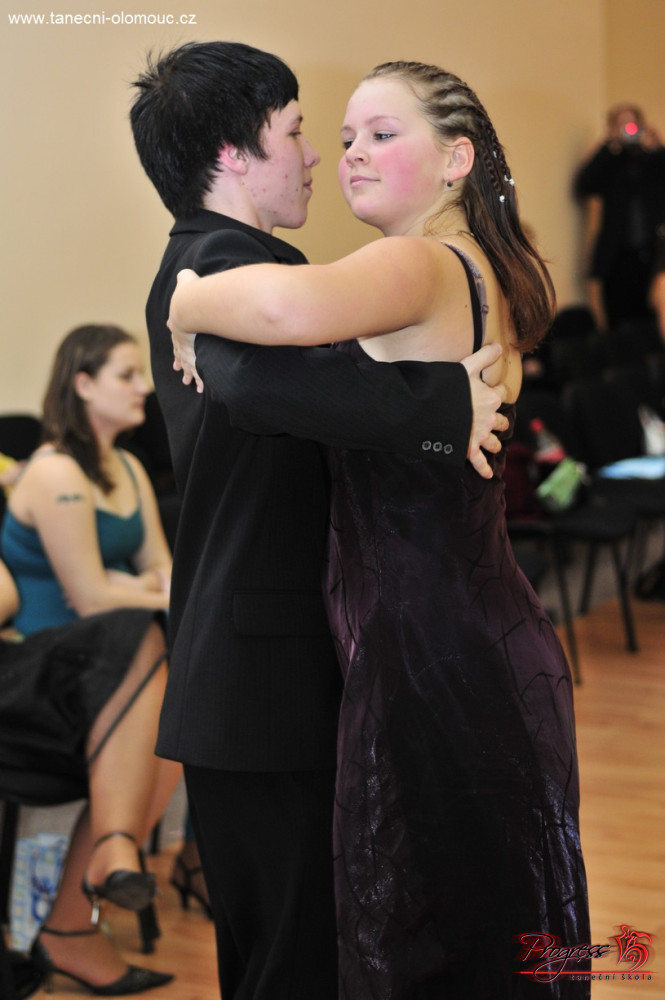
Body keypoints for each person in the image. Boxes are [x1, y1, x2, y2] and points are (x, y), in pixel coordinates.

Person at [168, 61, 591, 998]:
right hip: (467, 630)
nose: (352, 153)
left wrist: (184, 304)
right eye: (346, 136)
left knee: (432, 935)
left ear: (455, 160)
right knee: (484, 920)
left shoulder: (418, 262)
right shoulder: (474, 263)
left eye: (382, 134)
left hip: (426, 645)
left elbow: (279, 308)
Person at [0, 325, 181, 993]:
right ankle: (93, 885)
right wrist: (142, 588)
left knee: (180, 711)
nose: (143, 389)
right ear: (82, 384)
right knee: (143, 632)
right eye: (126, 375)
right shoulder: (54, 471)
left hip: (111, 664)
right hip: (41, 668)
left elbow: (167, 570)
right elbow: (92, 597)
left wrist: (141, 586)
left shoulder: (127, 468)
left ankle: (85, 899)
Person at [574, 102, 665, 330]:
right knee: (618, 319)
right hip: (617, 255)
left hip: (653, 253)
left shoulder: (653, 159)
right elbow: (584, 185)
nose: (628, 129)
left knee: (653, 318)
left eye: (632, 124)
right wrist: (608, 145)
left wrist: (658, 147)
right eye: (621, 124)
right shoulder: (610, 161)